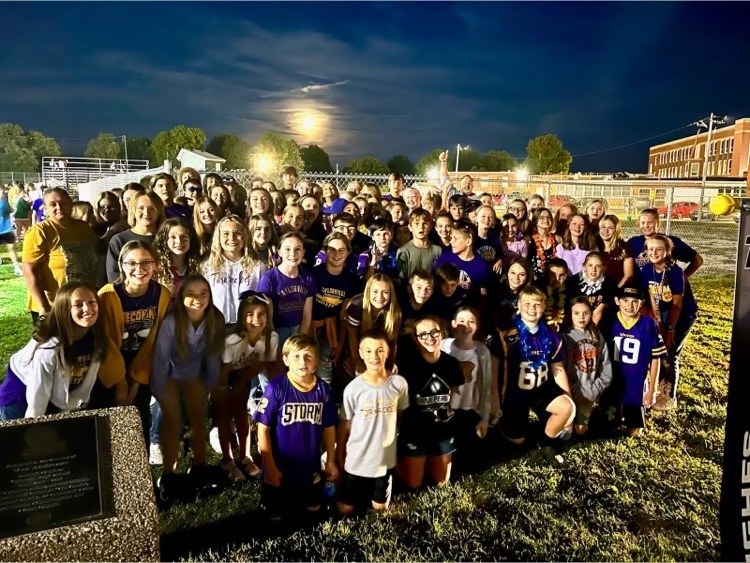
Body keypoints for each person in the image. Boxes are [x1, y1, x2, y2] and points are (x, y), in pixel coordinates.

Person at [151, 275, 225, 503]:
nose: (198, 299)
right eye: (191, 294)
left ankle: (199, 466)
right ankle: (169, 474)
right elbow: (161, 358)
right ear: (181, 297)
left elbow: (213, 355)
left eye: (203, 293)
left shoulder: (215, 318)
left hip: (196, 376)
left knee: (198, 420)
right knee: (172, 423)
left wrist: (209, 383)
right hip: (171, 377)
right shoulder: (172, 323)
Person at [96, 241, 172, 453]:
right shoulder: (108, 296)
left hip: (143, 365)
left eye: (146, 262)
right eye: (132, 263)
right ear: (121, 265)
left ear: (155, 264)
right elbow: (104, 342)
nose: (140, 269)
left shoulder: (161, 295)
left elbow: (157, 341)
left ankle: (139, 469)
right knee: (110, 424)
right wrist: (120, 381)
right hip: (109, 369)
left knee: (139, 421)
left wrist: (137, 381)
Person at [253, 334, 338, 522]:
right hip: (280, 463)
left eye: (308, 356)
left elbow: (329, 426)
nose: (302, 362)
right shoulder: (276, 388)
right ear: (285, 360)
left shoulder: (323, 390)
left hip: (309, 462)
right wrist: (271, 467)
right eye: (296, 356)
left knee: (313, 509)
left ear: (316, 361)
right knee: (274, 516)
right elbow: (263, 429)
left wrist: (330, 460)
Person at [488, 286, 575, 466]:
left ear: (544, 307)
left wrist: (569, 399)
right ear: (518, 305)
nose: (532, 308)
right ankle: (504, 426)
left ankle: (546, 441)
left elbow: (558, 369)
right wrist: (494, 399)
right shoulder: (505, 333)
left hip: (540, 388)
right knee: (517, 440)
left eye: (537, 304)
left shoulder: (552, 336)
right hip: (514, 393)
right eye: (527, 304)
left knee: (566, 408)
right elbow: (493, 368)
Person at [0, 281, 106, 420]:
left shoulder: (96, 338)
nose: (87, 308)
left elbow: (84, 384)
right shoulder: (48, 350)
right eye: (78, 304)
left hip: (55, 397)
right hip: (20, 398)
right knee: (26, 433)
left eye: (91, 302)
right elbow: (37, 399)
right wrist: (34, 425)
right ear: (64, 309)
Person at [336, 330, 409, 514]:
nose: (374, 356)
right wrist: (339, 455)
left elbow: (400, 415)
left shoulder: (399, 384)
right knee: (345, 509)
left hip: (384, 459)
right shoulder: (353, 389)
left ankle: (381, 488)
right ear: (361, 353)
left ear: (388, 351)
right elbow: (345, 424)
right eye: (368, 351)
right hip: (357, 458)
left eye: (379, 350)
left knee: (380, 508)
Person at [215, 294, 279, 482]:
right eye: (250, 314)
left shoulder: (271, 338)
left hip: (241, 373)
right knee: (224, 415)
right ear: (242, 318)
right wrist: (223, 392)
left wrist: (241, 383)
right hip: (218, 373)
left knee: (241, 412)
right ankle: (227, 460)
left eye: (261, 314)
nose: (256, 319)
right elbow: (222, 371)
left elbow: (262, 365)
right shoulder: (231, 340)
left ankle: (245, 456)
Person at [395, 316, 464, 489]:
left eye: (434, 332)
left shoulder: (451, 363)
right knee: (414, 483)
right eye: (423, 334)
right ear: (416, 339)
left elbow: (455, 394)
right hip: (415, 429)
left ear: (442, 334)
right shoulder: (407, 366)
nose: (430, 338)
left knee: (442, 481)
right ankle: (397, 460)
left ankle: (426, 459)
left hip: (442, 428)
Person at [23, 188, 100, 323]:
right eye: (53, 204)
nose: (59, 207)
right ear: (46, 208)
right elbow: (29, 272)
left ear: (71, 204)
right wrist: (44, 308)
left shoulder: (83, 227)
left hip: (81, 304)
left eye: (63, 203)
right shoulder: (40, 231)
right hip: (54, 305)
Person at [639, 235, 698, 411]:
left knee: (670, 352)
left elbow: (677, 303)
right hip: (662, 313)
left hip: (682, 314)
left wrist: (670, 329)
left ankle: (670, 395)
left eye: (659, 249)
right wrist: (656, 318)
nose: (654, 253)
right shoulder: (646, 270)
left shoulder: (675, 271)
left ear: (667, 251)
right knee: (659, 350)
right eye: (650, 249)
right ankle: (659, 388)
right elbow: (651, 296)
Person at [600, 285, 666, 437]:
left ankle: (631, 415)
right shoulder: (608, 321)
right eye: (625, 300)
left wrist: (652, 390)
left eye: (634, 301)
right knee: (608, 427)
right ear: (617, 301)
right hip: (611, 382)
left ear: (641, 303)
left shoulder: (648, 324)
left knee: (635, 432)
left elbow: (655, 358)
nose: (629, 305)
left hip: (635, 383)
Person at [440, 308, 492, 471]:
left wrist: (485, 417)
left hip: (469, 408)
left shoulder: (481, 352)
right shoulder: (444, 345)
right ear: (453, 324)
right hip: (447, 408)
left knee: (472, 457)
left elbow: (486, 385)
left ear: (477, 326)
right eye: (461, 321)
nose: (466, 325)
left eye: (471, 321)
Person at [340, 274, 401, 395]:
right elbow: (352, 336)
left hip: (379, 350)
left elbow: (393, 339)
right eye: (375, 292)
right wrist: (358, 362)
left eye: (385, 292)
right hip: (356, 349)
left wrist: (391, 361)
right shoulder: (357, 306)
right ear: (368, 292)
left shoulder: (394, 310)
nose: (380, 297)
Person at [311, 233, 359, 385]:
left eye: (341, 250)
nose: (336, 254)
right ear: (325, 251)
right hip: (310, 326)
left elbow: (345, 315)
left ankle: (324, 394)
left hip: (333, 330)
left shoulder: (351, 279)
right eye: (332, 249)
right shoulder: (314, 274)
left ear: (347, 252)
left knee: (326, 365)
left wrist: (340, 343)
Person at [562, 296, 613, 435]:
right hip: (568, 393)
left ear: (591, 314)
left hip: (588, 393)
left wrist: (595, 388)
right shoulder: (564, 336)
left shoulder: (596, 336)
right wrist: (567, 389)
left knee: (581, 431)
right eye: (576, 313)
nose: (581, 317)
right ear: (570, 314)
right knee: (565, 434)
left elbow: (605, 365)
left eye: (585, 313)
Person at [256, 232, 316, 350]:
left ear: (303, 252)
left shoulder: (308, 278)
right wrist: (274, 341)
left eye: (298, 249)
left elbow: (307, 314)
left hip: (298, 329)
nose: (293, 254)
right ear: (279, 252)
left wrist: (301, 337)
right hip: (277, 331)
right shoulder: (269, 279)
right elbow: (268, 317)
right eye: (287, 249)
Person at [203, 216, 265, 325]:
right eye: (226, 234)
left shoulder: (258, 266)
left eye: (237, 233)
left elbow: (264, 301)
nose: (232, 238)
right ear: (219, 238)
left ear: (245, 236)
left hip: (247, 326)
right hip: (217, 326)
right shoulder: (208, 267)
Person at [106, 191, 164, 283]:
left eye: (152, 209)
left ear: (159, 211)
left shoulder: (167, 238)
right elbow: (114, 277)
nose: (146, 213)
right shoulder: (119, 240)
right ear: (133, 210)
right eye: (141, 208)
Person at [628, 207, 704, 277]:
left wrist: (682, 277)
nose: (646, 226)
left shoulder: (670, 241)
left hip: (665, 286)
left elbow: (698, 260)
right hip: (642, 286)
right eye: (643, 223)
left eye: (650, 222)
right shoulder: (633, 242)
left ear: (657, 223)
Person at [433, 219, 491, 308]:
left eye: (456, 238)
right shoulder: (445, 257)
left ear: (468, 241)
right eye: (451, 237)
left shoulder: (481, 266)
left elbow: (483, 294)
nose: (451, 241)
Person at [565, 251, 617, 326]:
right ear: (584, 266)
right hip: (575, 323)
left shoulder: (609, 284)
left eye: (598, 266)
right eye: (590, 265)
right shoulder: (573, 282)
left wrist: (590, 331)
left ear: (604, 268)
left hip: (598, 324)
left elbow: (597, 313)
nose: (594, 270)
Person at [154, 218, 201, 296]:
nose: (179, 242)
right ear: (164, 240)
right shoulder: (156, 269)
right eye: (173, 237)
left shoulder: (198, 267)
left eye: (184, 237)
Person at [396, 209, 442, 280]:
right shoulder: (403, 251)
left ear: (430, 226)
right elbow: (401, 278)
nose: (421, 227)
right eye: (417, 223)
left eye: (425, 223)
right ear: (410, 227)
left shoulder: (437, 250)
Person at [598, 214, 634, 288]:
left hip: (618, 289)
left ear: (616, 230)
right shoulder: (596, 247)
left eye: (610, 228)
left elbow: (628, 275)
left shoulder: (624, 247)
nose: (606, 231)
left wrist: (615, 291)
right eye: (603, 227)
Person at [358, 217, 399, 282]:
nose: (382, 238)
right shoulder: (365, 256)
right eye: (378, 234)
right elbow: (364, 282)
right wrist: (373, 262)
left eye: (386, 234)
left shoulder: (398, 253)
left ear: (391, 235)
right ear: (373, 237)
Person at [398, 269, 437, 334]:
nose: (423, 292)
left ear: (432, 292)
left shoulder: (432, 307)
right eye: (419, 287)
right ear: (409, 288)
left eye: (428, 288)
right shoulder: (400, 305)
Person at [528, 207, 557, 282]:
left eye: (548, 217)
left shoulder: (557, 238)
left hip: (553, 279)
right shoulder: (529, 239)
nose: (546, 220)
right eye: (541, 218)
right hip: (534, 280)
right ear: (535, 221)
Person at [541, 257, 569, 332]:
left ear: (566, 276)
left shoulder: (569, 291)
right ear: (547, 274)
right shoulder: (538, 289)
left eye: (561, 275)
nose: (557, 279)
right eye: (552, 274)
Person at [474, 205, 504, 274]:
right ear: (476, 218)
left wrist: (499, 261)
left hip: (491, 275)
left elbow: (500, 255)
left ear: (494, 221)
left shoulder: (494, 238)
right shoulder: (471, 237)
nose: (487, 219)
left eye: (490, 217)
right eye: (483, 216)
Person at [0, 185, 23, 275]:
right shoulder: (4, 203)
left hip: (6, 229)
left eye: (2, 191)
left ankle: (17, 268)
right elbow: (12, 210)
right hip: (5, 229)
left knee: (11, 248)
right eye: (1, 191)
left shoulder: (4, 203)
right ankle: (16, 267)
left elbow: (11, 210)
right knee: (11, 248)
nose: (2, 193)